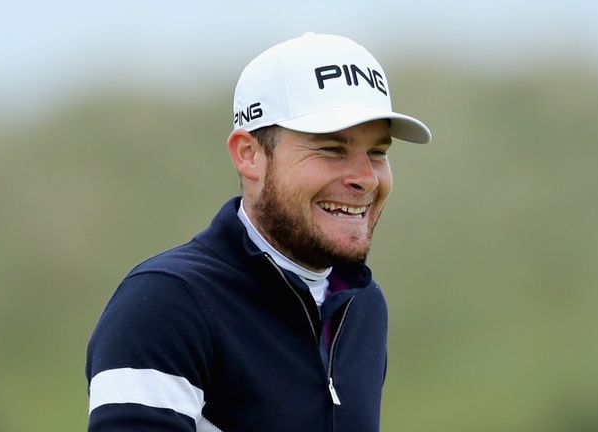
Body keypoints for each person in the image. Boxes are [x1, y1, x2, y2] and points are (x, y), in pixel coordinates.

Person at [85, 32, 431, 432]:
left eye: (378, 152)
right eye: (331, 149)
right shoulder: (165, 303)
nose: (365, 179)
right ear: (249, 154)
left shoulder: (363, 306)